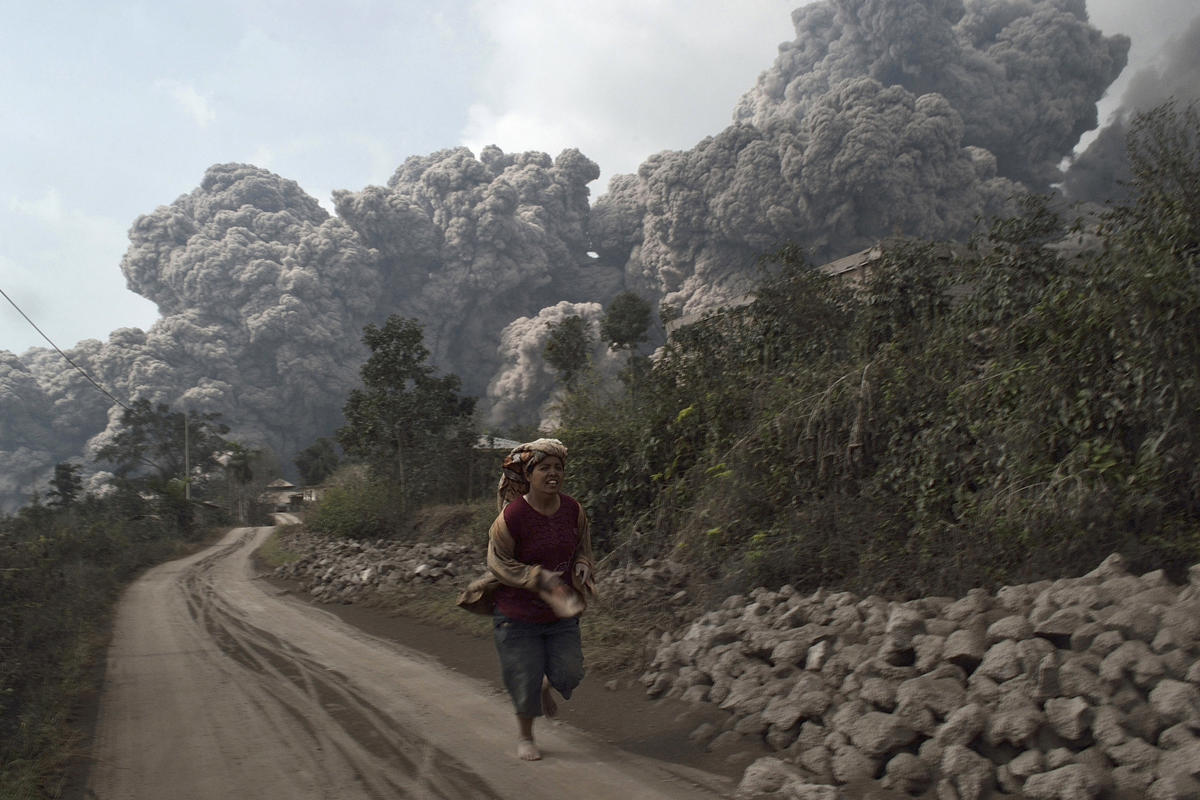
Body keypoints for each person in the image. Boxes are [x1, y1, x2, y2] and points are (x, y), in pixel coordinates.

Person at [471, 438, 596, 761]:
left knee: (570, 673)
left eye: (558, 468)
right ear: (529, 475)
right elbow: (498, 563)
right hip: (516, 614)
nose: (552, 473)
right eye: (544, 468)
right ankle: (526, 737)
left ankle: (545, 687)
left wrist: (582, 564)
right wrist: (537, 578)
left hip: (561, 613)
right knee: (525, 678)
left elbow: (583, 546)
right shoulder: (511, 518)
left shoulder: (573, 510)